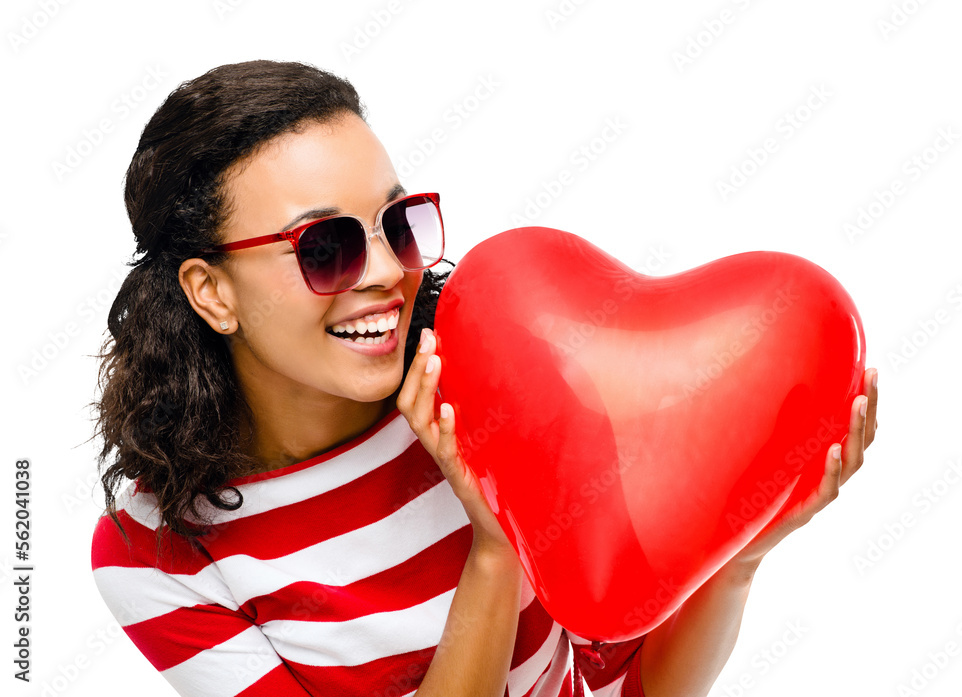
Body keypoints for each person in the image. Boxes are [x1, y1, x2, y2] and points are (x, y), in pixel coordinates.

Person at [89, 60, 879, 697]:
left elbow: (625, 685)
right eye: (325, 246)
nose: (385, 276)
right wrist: (495, 552)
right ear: (211, 292)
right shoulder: (155, 553)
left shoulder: (495, 383)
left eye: (398, 225)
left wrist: (740, 551)